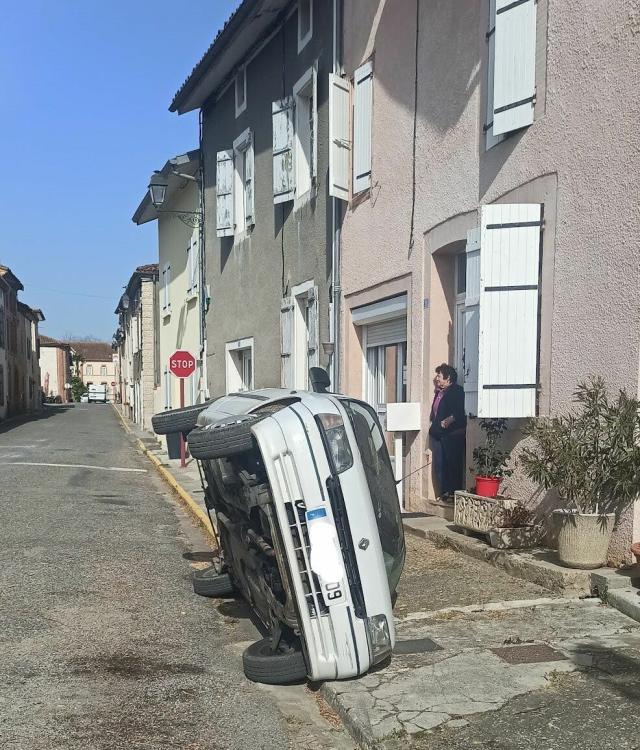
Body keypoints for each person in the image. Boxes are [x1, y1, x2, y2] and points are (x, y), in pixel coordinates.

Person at [429, 363, 466, 500]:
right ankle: (443, 492)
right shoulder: (439, 393)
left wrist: (449, 420)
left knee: (453, 464)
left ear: (448, 377)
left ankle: (453, 492)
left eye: (439, 376)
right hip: (439, 435)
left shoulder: (457, 391)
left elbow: (460, 411)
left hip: (452, 435)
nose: (437, 379)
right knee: (440, 465)